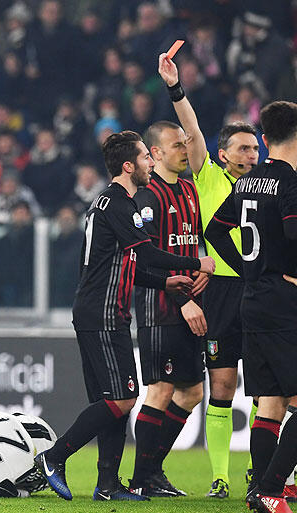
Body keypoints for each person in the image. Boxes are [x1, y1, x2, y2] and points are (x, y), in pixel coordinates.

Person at [35, 130, 215, 502]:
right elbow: (147, 254)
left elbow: (130, 264)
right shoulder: (118, 203)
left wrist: (164, 283)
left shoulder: (109, 202)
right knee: (123, 399)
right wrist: (196, 262)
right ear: (129, 166)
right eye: (146, 157)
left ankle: (107, 485)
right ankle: (54, 457)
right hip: (103, 313)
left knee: (113, 402)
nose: (151, 162)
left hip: (101, 310)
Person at [159, 52, 261, 498]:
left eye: (255, 148)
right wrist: (175, 88)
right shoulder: (209, 177)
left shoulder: (269, 184)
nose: (251, 155)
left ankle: (260, 473)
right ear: (223, 154)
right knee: (222, 385)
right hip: (219, 291)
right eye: (243, 148)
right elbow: (194, 131)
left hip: (261, 289)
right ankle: (220, 478)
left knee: (266, 390)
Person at [205, 100, 297, 513]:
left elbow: (214, 231)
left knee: (271, 401)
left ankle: (259, 490)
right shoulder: (290, 182)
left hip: (252, 298)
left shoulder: (246, 183)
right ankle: (271, 488)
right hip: (282, 299)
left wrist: (247, 269)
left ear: (265, 138)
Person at [128, 120, 207, 497]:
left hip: (190, 303)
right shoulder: (148, 195)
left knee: (191, 393)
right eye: (177, 145)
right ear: (156, 153)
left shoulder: (190, 189)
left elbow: (196, 242)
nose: (185, 150)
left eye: (186, 143)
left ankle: (151, 472)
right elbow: (147, 260)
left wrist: (203, 270)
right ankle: (141, 480)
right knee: (160, 390)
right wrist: (184, 300)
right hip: (160, 308)